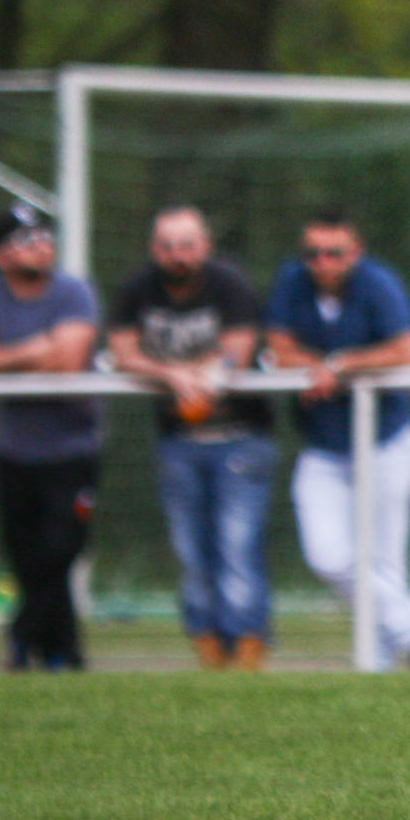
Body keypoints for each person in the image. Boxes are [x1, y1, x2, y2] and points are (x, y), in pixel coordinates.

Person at [265, 209, 410, 670]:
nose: (322, 262)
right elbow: (278, 348)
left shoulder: (378, 284)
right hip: (323, 447)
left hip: (385, 441)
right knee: (326, 555)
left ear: (355, 252)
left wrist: (341, 365)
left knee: (385, 559)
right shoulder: (292, 282)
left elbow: (405, 349)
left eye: (334, 253)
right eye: (312, 253)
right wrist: (317, 367)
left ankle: (378, 669)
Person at [107, 207, 277, 670]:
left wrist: (201, 377)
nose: (177, 255)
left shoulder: (229, 284)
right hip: (179, 441)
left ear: (206, 246)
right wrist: (172, 374)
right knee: (191, 551)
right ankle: (208, 645)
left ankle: (249, 644)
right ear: (153, 249)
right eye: (167, 246)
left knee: (238, 544)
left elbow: (238, 350)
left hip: (241, 437)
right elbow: (122, 353)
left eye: (186, 245)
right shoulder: (137, 288)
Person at [0, 204, 104, 670]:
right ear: (1, 255)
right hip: (15, 453)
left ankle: (23, 635)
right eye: (26, 240)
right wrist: (31, 350)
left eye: (45, 236)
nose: (41, 246)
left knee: (60, 550)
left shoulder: (73, 291)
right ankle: (62, 653)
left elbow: (67, 361)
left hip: (72, 450)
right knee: (26, 557)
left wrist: (1, 357)